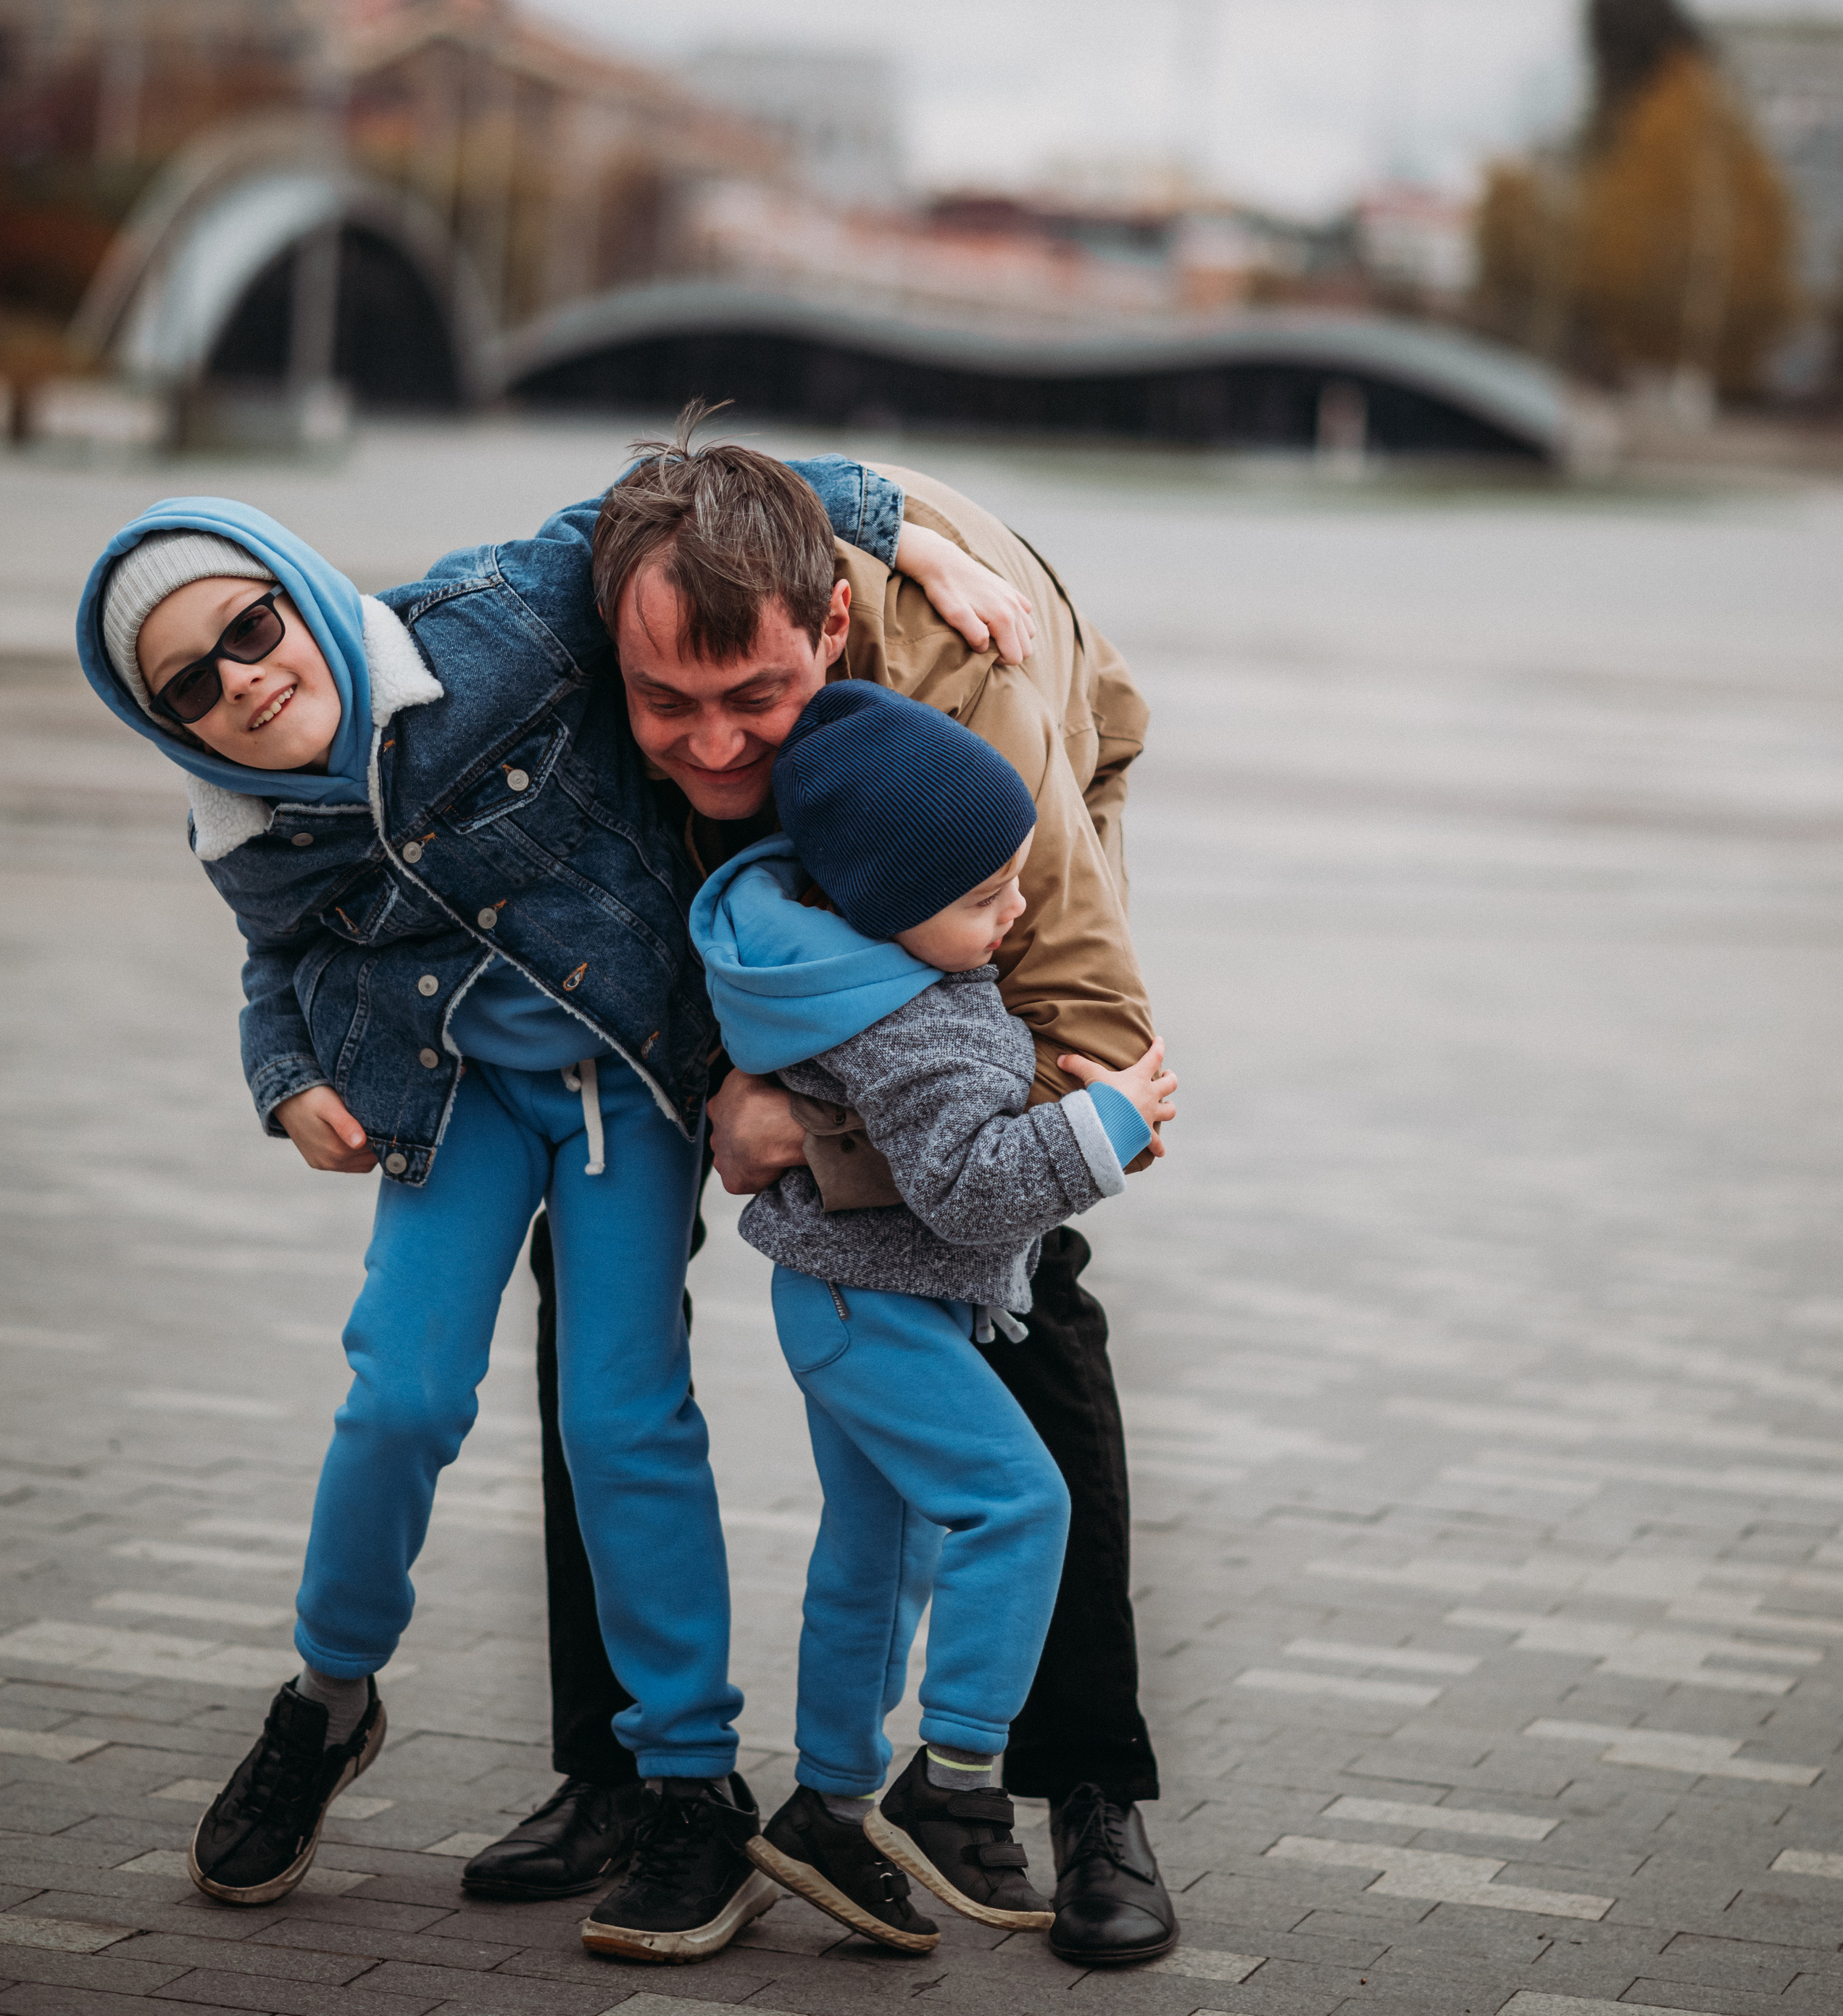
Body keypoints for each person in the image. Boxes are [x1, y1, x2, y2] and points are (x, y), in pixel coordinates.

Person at [72, 461, 1021, 1959]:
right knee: (397, 1394)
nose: (241, 683)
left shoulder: (489, 625)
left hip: (624, 1095)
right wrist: (282, 1084)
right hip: (442, 1109)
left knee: (620, 1416)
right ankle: (327, 1703)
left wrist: (913, 541)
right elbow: (275, 965)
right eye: (187, 683)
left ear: (299, 589)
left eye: (251, 627)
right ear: (162, 720)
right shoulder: (239, 821)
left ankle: (688, 1787)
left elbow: (676, 491)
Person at [514, 422, 1182, 1967]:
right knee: (596, 1241)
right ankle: (628, 1775)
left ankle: (1076, 1779)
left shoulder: (971, 706)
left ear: (828, 627)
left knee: (1029, 1290)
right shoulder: (596, 642)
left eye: (756, 698)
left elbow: (1094, 1052)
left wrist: (812, 1140)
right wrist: (710, 1091)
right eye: (664, 704)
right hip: (732, 922)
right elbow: (588, 943)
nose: (715, 744)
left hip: (995, 841)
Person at [681, 680, 1175, 1959]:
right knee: (1021, 1504)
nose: (1017, 914)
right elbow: (964, 1190)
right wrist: (1101, 1126)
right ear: (886, 907)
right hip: (879, 1306)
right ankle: (954, 1778)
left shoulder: (867, 965)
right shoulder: (919, 1024)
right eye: (984, 900)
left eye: (1017, 883)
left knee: (876, 1551)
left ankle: (830, 1805)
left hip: (847, 1299)